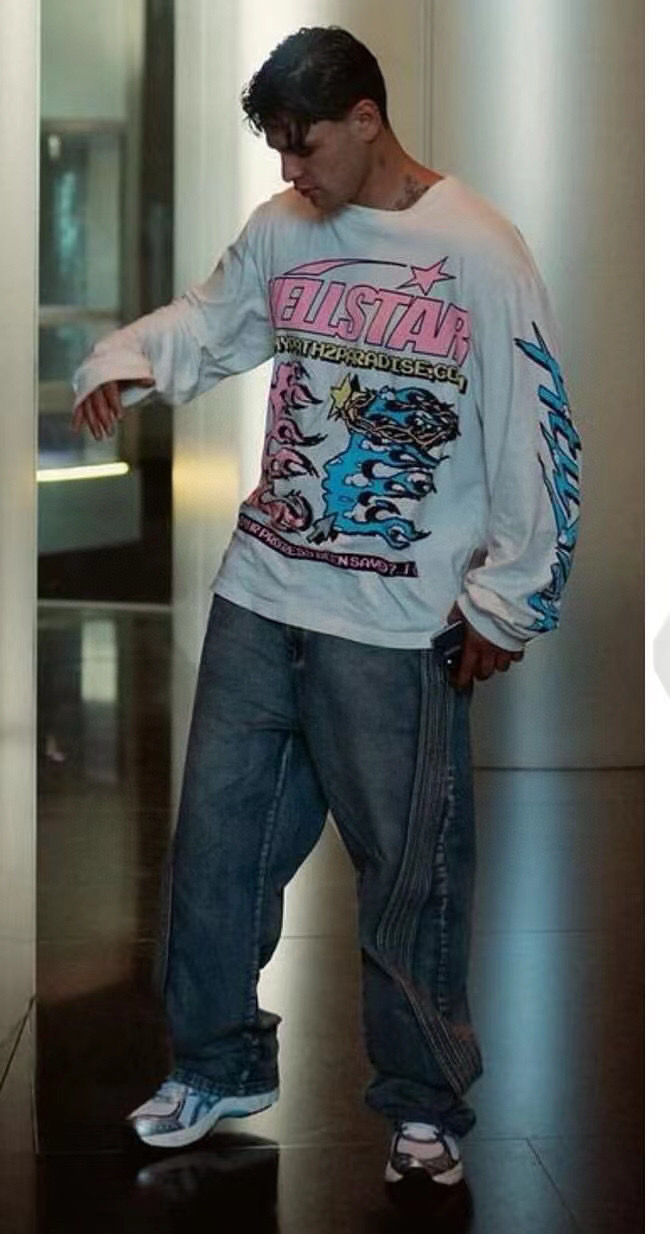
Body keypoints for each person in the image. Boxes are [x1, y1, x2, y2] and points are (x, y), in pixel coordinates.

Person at [72, 26, 581, 1189]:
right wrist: (125, 359)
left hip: (397, 626)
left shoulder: (478, 249)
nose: (291, 172)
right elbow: (213, 320)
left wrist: (508, 600)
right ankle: (216, 1062)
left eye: (304, 147)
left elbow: (534, 430)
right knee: (214, 849)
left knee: (410, 874)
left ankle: (422, 1106)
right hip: (263, 594)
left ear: (365, 119)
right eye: (277, 151)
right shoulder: (284, 228)